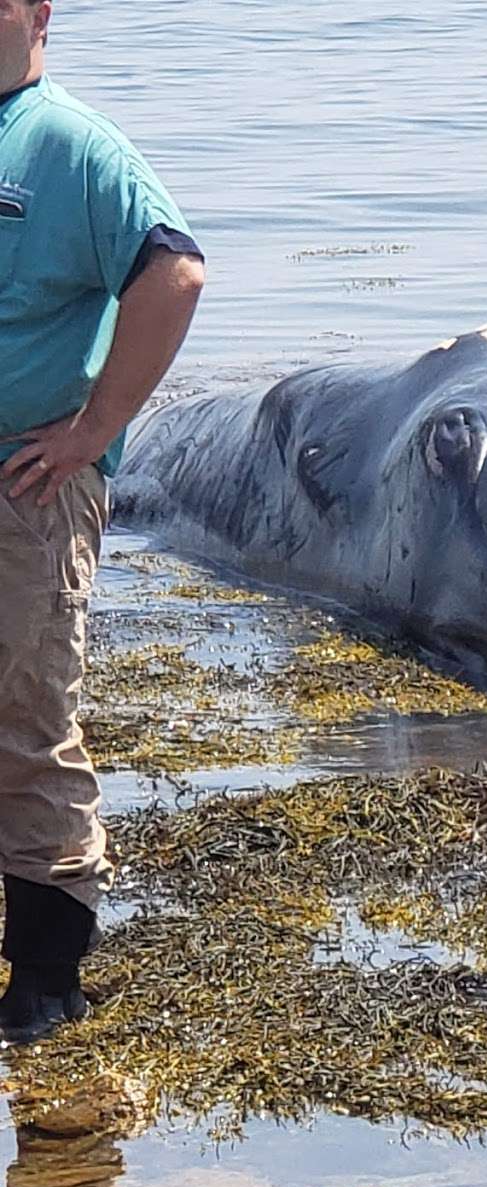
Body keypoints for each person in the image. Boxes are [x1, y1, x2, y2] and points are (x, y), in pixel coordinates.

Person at [0, 0, 205, 1043]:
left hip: (26, 484)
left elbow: (172, 272)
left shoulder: (71, 145)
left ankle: (45, 979)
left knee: (26, 717)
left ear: (39, 13)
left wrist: (94, 429)